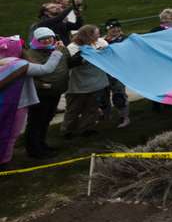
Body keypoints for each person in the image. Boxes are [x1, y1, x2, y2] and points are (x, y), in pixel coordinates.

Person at [21, 27, 68, 159]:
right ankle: (34, 150)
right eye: (43, 39)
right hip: (40, 94)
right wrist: (41, 85)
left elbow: (66, 64)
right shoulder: (31, 54)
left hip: (55, 92)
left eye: (49, 37)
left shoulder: (58, 50)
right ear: (36, 40)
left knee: (46, 119)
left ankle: (42, 144)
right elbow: (28, 75)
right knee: (36, 122)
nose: (47, 40)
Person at [63, 25, 110, 139]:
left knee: (92, 108)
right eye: (96, 34)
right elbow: (70, 64)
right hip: (78, 84)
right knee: (73, 109)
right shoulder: (72, 48)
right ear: (88, 35)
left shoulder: (101, 43)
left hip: (96, 82)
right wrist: (85, 57)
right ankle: (68, 130)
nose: (99, 36)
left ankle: (87, 128)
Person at [101, 20, 130, 128]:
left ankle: (124, 118)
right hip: (104, 72)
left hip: (119, 72)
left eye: (117, 27)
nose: (115, 30)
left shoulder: (125, 39)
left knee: (119, 96)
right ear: (107, 29)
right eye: (112, 28)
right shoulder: (101, 41)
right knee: (103, 97)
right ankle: (106, 117)